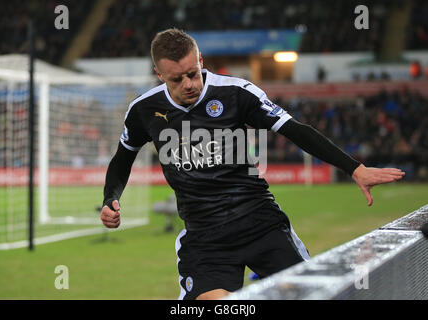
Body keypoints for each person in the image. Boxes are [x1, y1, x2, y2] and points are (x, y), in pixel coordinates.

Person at [100, 28, 405, 300]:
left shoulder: (235, 93)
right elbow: (123, 157)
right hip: (205, 236)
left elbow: (294, 130)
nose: (189, 84)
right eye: (177, 79)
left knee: (308, 293)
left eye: (193, 73)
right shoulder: (143, 110)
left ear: (201, 61)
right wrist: (110, 198)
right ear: (159, 74)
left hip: (259, 221)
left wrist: (354, 168)